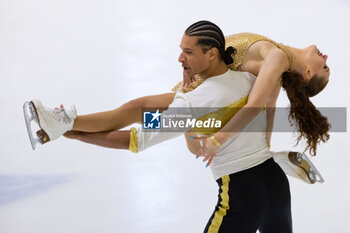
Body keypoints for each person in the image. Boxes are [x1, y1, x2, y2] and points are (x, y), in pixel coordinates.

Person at [23, 20, 330, 184]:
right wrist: (191, 69)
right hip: (203, 98)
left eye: (324, 67)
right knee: (136, 109)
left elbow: (254, 108)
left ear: (306, 73)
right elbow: (265, 105)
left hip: (203, 111)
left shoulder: (275, 59)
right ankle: (63, 125)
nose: (325, 57)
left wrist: (217, 138)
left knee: (143, 128)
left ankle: (65, 127)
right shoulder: (274, 62)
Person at [62, 21, 293, 232]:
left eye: (188, 52)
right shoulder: (250, 79)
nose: (180, 58)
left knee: (143, 117)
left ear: (212, 53)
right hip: (276, 184)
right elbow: (196, 141)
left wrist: (77, 134)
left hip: (242, 195)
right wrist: (187, 126)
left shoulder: (192, 104)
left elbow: (135, 139)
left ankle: (68, 122)